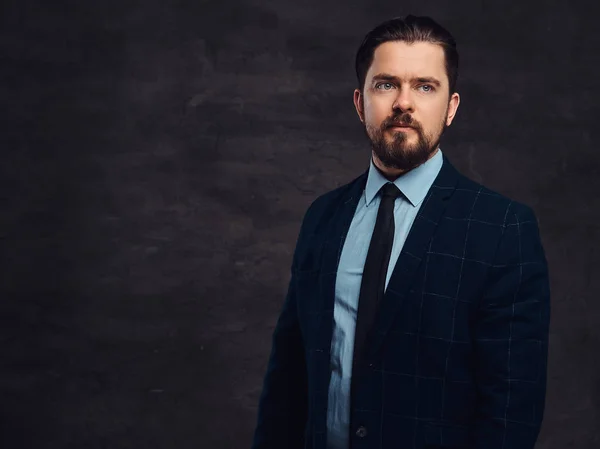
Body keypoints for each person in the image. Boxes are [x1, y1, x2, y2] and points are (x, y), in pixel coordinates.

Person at [250, 14, 551, 449]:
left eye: (425, 87)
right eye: (386, 84)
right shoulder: (323, 217)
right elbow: (288, 379)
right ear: (360, 103)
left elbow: (510, 409)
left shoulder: (503, 228)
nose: (403, 103)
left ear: (451, 108)